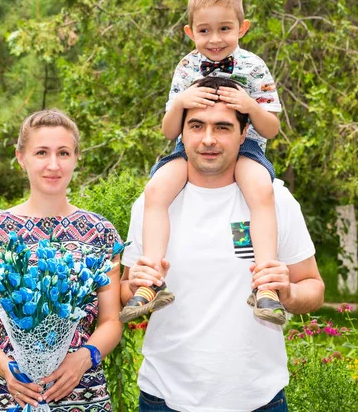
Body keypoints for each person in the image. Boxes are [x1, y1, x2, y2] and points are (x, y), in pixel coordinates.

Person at [120, 77, 324, 412]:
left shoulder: (276, 200)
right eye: (197, 126)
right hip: (165, 398)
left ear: (244, 134)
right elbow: (125, 291)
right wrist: (135, 286)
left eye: (223, 127)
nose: (209, 139)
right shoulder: (151, 202)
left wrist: (288, 294)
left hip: (259, 400)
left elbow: (313, 287)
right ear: (181, 132)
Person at [119, 0, 284, 324]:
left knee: (260, 189)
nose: (215, 39)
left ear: (243, 28)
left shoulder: (254, 67)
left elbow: (272, 128)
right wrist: (180, 103)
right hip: (190, 146)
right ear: (190, 32)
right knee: (156, 189)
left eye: (225, 28)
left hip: (247, 144)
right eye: (204, 30)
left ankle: (266, 284)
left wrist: (250, 106)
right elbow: (168, 131)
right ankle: (151, 279)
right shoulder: (186, 68)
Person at [0, 109, 123, 411]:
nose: (53, 165)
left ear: (76, 158)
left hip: (82, 392)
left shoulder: (101, 232)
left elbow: (111, 320)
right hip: (11, 393)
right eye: (41, 152)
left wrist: (83, 358)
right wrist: (6, 367)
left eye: (63, 152)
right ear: (21, 157)